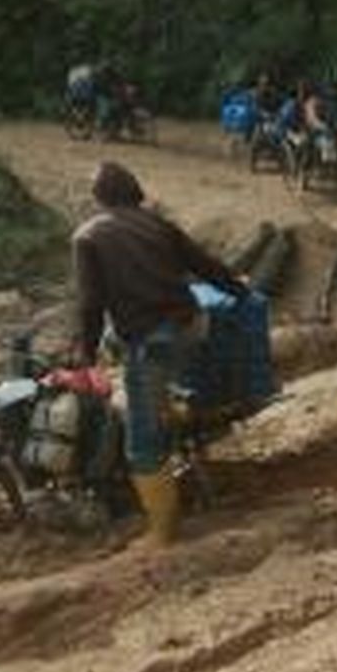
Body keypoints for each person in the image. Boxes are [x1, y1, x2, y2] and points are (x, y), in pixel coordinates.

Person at [72, 161, 246, 547]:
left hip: (154, 340)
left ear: (99, 198)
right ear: (134, 192)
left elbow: (90, 305)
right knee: (134, 359)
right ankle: (168, 409)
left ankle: (163, 533)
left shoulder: (88, 237)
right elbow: (204, 265)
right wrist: (241, 291)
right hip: (190, 327)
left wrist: (85, 357)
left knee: (142, 439)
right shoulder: (158, 225)